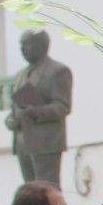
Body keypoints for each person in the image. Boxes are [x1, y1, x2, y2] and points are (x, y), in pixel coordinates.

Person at [6, 29, 73, 187]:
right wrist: (11, 120)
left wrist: (34, 112)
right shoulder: (19, 76)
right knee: (30, 194)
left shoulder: (57, 71)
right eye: (20, 45)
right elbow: (14, 109)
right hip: (23, 144)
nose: (22, 49)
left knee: (47, 192)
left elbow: (62, 106)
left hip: (46, 144)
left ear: (42, 45)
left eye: (26, 44)